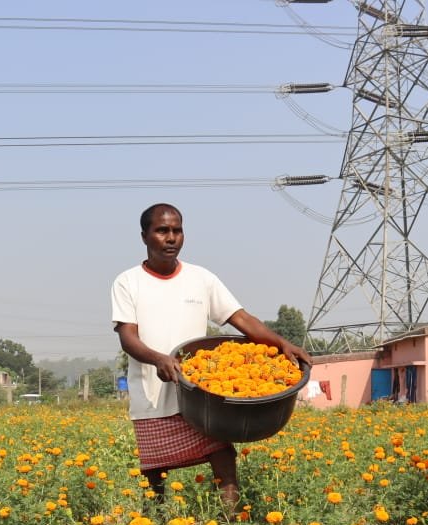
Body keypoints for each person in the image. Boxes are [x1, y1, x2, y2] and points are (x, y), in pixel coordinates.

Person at [110, 203, 311, 509]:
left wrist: (282, 343)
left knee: (223, 457)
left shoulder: (200, 278)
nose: (171, 237)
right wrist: (158, 359)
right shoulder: (128, 282)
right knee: (154, 475)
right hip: (152, 395)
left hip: (200, 391)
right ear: (144, 236)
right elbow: (128, 337)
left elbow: (241, 319)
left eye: (177, 230)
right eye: (162, 230)